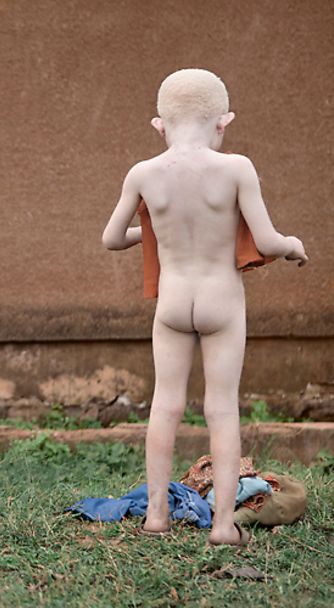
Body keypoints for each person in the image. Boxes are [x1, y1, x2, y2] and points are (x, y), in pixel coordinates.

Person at [101, 69, 307, 546]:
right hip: (222, 303)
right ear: (223, 122)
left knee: (165, 405)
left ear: (160, 125)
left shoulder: (144, 173)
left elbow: (112, 239)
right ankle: (222, 526)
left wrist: (152, 233)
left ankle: (155, 515)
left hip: (172, 303)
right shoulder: (237, 168)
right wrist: (294, 244)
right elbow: (269, 240)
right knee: (221, 410)